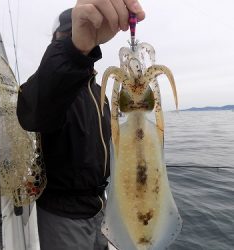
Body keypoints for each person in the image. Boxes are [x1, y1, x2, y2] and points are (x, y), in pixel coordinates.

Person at [17, 1, 145, 249]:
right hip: (62, 213)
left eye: (75, 33)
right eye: (65, 36)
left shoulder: (102, 94)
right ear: (55, 44)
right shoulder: (48, 89)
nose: (74, 39)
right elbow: (34, 112)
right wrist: (73, 50)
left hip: (100, 206)